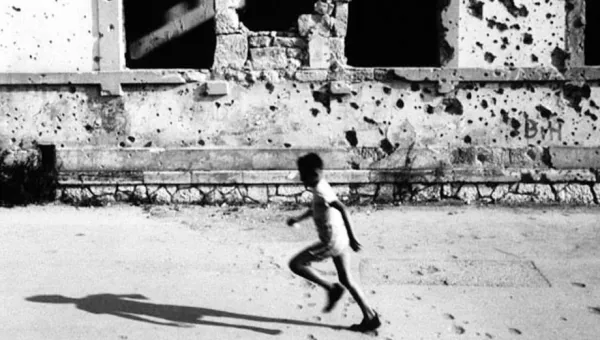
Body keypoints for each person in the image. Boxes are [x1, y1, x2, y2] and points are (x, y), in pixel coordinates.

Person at [286, 153, 381, 332]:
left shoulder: (322, 190)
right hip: (340, 238)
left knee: (296, 264)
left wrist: (354, 238)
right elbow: (315, 208)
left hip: (331, 242)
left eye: (303, 174)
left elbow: (343, 208)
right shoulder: (319, 186)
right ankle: (370, 317)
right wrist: (298, 219)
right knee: (347, 279)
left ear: (314, 173)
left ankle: (330, 288)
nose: (301, 178)